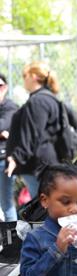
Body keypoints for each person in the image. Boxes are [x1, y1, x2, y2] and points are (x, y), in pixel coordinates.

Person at [5, 61, 64, 198]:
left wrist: (16, 158)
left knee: (41, 208)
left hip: (38, 166)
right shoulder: (48, 98)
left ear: (33, 77)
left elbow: (32, 134)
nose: (23, 81)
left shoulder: (38, 101)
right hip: (46, 163)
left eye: (25, 76)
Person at [0, 72, 23, 221]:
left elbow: (3, 124)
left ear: (5, 87)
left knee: (6, 202)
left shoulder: (10, 107)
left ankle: (12, 239)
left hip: (3, 160)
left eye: (0, 85)